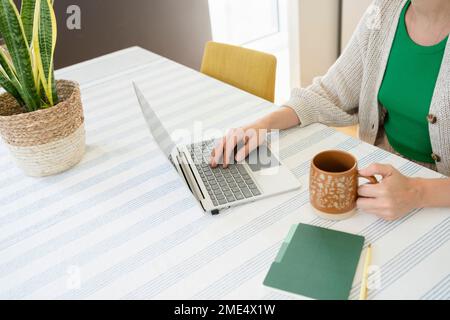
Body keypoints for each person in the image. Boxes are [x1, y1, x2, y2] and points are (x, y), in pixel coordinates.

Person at [210, 0, 450, 221]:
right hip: (381, 179)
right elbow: (329, 93)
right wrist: (261, 125)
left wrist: (417, 192)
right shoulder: (383, 11)